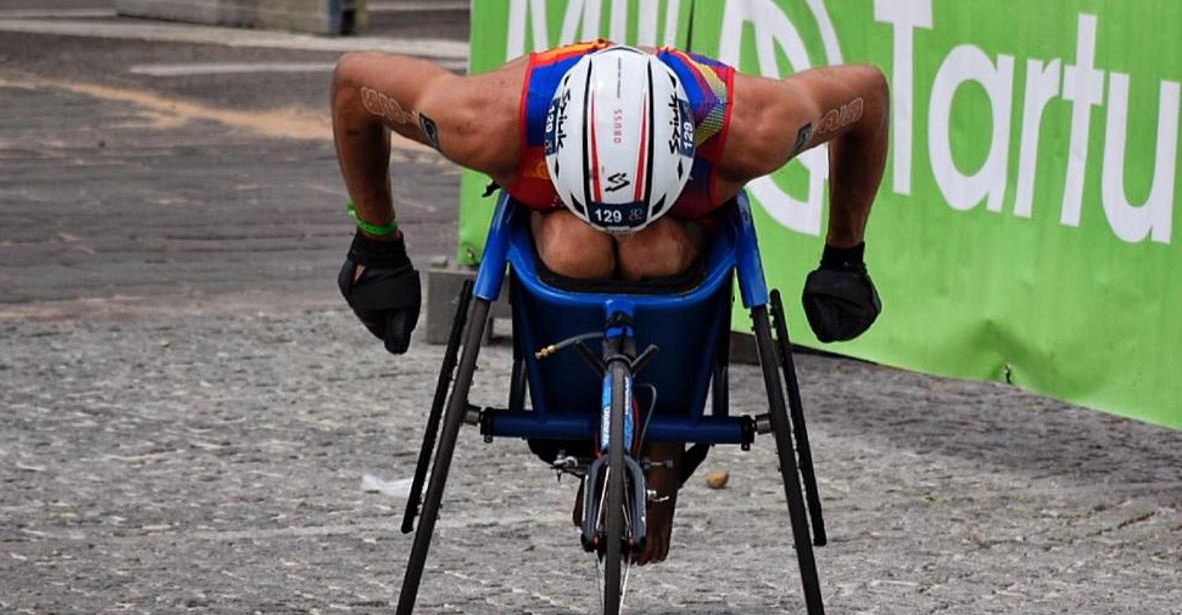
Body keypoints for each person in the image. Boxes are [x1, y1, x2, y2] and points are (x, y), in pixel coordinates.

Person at [331, 40, 888, 565]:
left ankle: (662, 442)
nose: (619, 234)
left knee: (654, 252)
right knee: (578, 250)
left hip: (684, 229)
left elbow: (867, 91)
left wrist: (845, 255)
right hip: (558, 213)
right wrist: (376, 244)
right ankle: (591, 427)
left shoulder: (752, 125)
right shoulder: (485, 121)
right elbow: (354, 83)